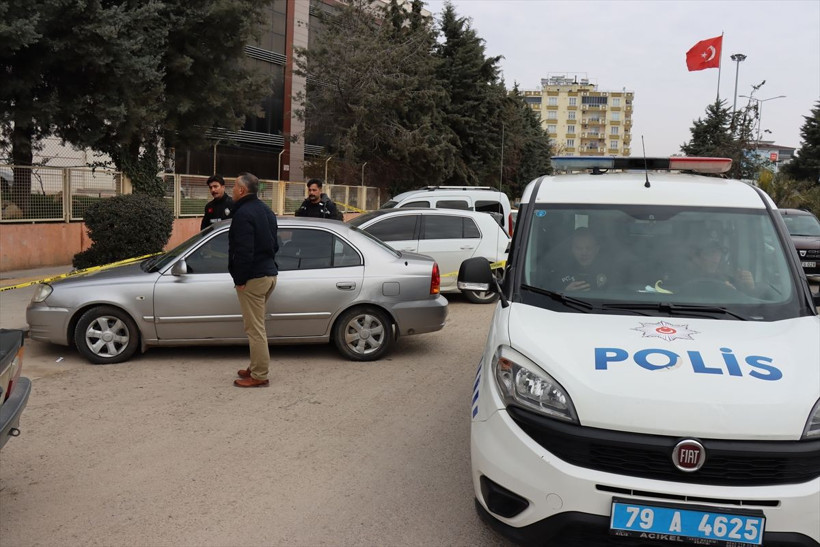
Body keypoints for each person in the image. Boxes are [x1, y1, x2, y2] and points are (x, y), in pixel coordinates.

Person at [228, 172, 279, 388]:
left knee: (255, 329)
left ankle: (259, 375)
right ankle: (256, 365)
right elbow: (275, 245)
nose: (232, 190)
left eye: (234, 186)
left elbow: (243, 252)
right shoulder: (265, 210)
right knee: (256, 326)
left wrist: (240, 278)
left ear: (242, 190)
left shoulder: (243, 214)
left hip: (253, 279)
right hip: (269, 275)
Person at [686, 239, 755, 292]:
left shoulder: (730, 280)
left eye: (718, 254)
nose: (716, 260)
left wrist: (749, 288)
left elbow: (747, 304)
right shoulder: (682, 279)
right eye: (710, 254)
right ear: (697, 258)